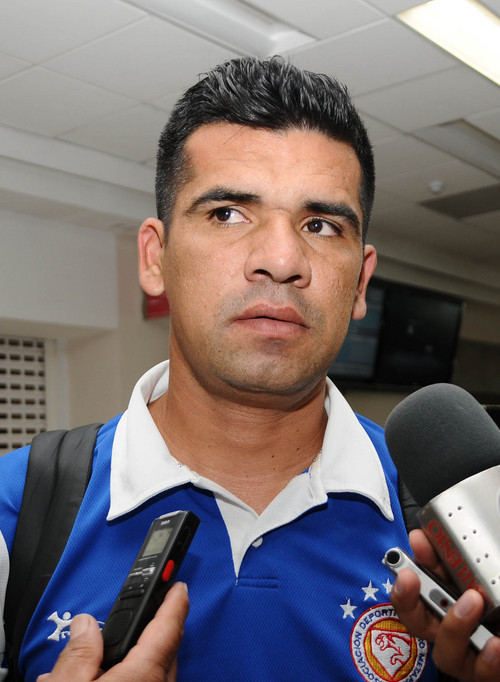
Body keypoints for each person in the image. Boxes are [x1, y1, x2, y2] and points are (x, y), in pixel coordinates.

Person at [1, 55, 499, 682]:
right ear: (155, 258)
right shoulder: (18, 511)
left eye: (321, 225)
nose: (282, 259)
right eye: (227, 214)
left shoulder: (449, 521)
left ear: (360, 282)